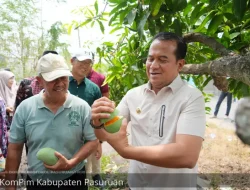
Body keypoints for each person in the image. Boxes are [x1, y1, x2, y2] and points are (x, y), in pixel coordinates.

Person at [90, 32, 206, 189]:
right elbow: (108, 132)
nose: (153, 65)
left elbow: (187, 155)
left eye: (162, 60)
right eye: (150, 59)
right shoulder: (133, 95)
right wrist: (97, 122)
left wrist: (126, 151)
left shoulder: (191, 97)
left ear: (179, 64)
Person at [5, 53, 98, 190]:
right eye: (53, 79)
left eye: (63, 78)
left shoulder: (81, 107)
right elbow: (15, 148)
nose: (60, 83)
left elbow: (93, 141)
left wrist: (71, 163)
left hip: (74, 179)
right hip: (38, 182)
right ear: (39, 80)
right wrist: (10, 185)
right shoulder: (25, 108)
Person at [69, 50, 104, 189]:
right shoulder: (61, 83)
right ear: (72, 61)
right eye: (82, 62)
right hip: (68, 136)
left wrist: (99, 142)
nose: (85, 66)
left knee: (88, 168)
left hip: (88, 135)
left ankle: (95, 177)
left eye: (88, 63)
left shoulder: (94, 88)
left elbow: (99, 116)